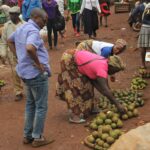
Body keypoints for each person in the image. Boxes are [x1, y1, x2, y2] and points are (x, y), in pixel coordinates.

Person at [7, 8, 54, 147]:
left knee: (30, 104)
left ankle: (27, 136)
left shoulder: (23, 28)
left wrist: (19, 57)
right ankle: (37, 138)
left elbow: (10, 41)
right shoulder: (33, 31)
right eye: (44, 20)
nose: (45, 24)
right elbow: (29, 48)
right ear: (36, 17)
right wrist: (39, 65)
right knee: (41, 106)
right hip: (35, 74)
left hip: (25, 73)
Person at [56, 49, 126, 123]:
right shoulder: (101, 69)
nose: (114, 72)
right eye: (115, 70)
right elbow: (105, 89)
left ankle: (90, 108)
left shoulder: (104, 62)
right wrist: (118, 105)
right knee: (75, 88)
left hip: (78, 59)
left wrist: (111, 98)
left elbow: (96, 83)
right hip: (69, 60)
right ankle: (74, 116)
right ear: (111, 66)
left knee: (88, 86)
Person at [1, 6, 24, 101]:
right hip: (12, 53)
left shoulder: (24, 25)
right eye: (10, 14)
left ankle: (30, 89)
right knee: (15, 72)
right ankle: (18, 91)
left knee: (26, 71)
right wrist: (3, 54)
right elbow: (3, 41)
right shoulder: (6, 26)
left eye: (13, 14)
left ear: (18, 15)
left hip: (23, 52)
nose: (11, 16)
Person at [132, 0, 150, 68]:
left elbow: (133, 14)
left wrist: (137, 21)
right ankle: (148, 60)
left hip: (144, 27)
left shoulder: (141, 6)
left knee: (143, 46)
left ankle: (143, 64)